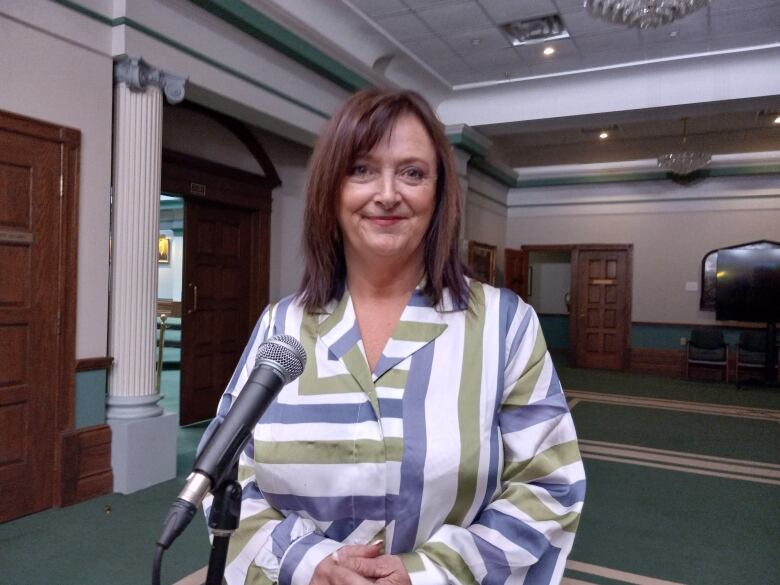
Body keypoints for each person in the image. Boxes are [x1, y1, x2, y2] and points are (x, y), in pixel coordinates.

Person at [202, 88, 585, 585]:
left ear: (439, 193)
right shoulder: (281, 326)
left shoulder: (504, 325)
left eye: (412, 172)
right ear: (331, 190)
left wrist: (425, 573)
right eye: (361, 169)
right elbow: (225, 479)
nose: (387, 193)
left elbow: (547, 486)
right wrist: (306, 562)